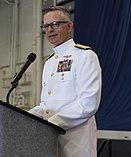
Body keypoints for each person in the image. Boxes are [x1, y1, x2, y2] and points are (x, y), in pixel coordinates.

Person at [29, 6, 102, 157]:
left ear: (69, 26)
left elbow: (88, 104)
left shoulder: (85, 56)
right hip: (49, 143)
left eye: (55, 24)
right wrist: (24, 117)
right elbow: (46, 105)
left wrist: (50, 123)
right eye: (46, 26)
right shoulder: (49, 63)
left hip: (76, 145)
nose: (49, 30)